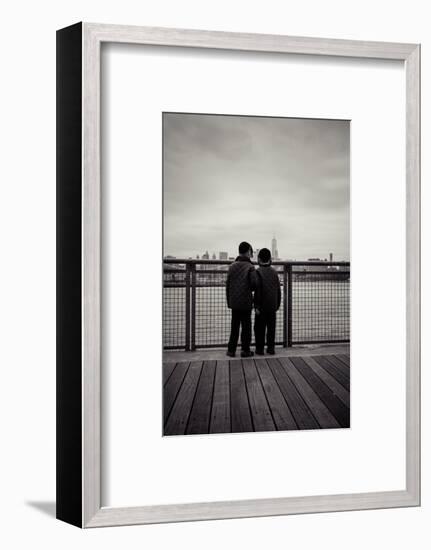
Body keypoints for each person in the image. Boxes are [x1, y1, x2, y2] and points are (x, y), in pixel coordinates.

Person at [226, 241, 256, 358]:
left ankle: (231, 350)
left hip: (234, 302)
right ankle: (245, 350)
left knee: (234, 326)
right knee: (246, 326)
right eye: (251, 252)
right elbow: (254, 284)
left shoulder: (232, 266)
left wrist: (229, 301)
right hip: (246, 302)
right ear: (248, 251)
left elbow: (227, 285)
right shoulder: (250, 267)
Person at [253, 248, 281, 355]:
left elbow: (257, 290)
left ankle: (259, 349)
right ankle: (271, 348)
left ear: (259, 259)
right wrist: (277, 304)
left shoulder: (257, 272)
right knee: (271, 328)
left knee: (259, 328)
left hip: (261, 306)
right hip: (272, 305)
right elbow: (278, 290)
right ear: (270, 259)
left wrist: (256, 306)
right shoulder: (274, 272)